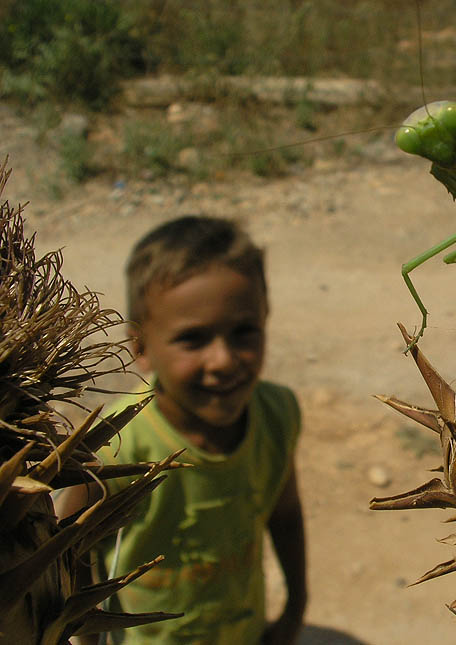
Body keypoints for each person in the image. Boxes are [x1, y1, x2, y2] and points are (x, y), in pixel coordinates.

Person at [56, 215, 307, 644]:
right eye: (193, 339)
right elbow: (67, 546)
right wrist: (86, 636)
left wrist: (295, 607)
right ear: (140, 347)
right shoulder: (117, 448)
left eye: (244, 331)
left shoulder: (277, 413)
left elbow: (284, 514)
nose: (224, 360)